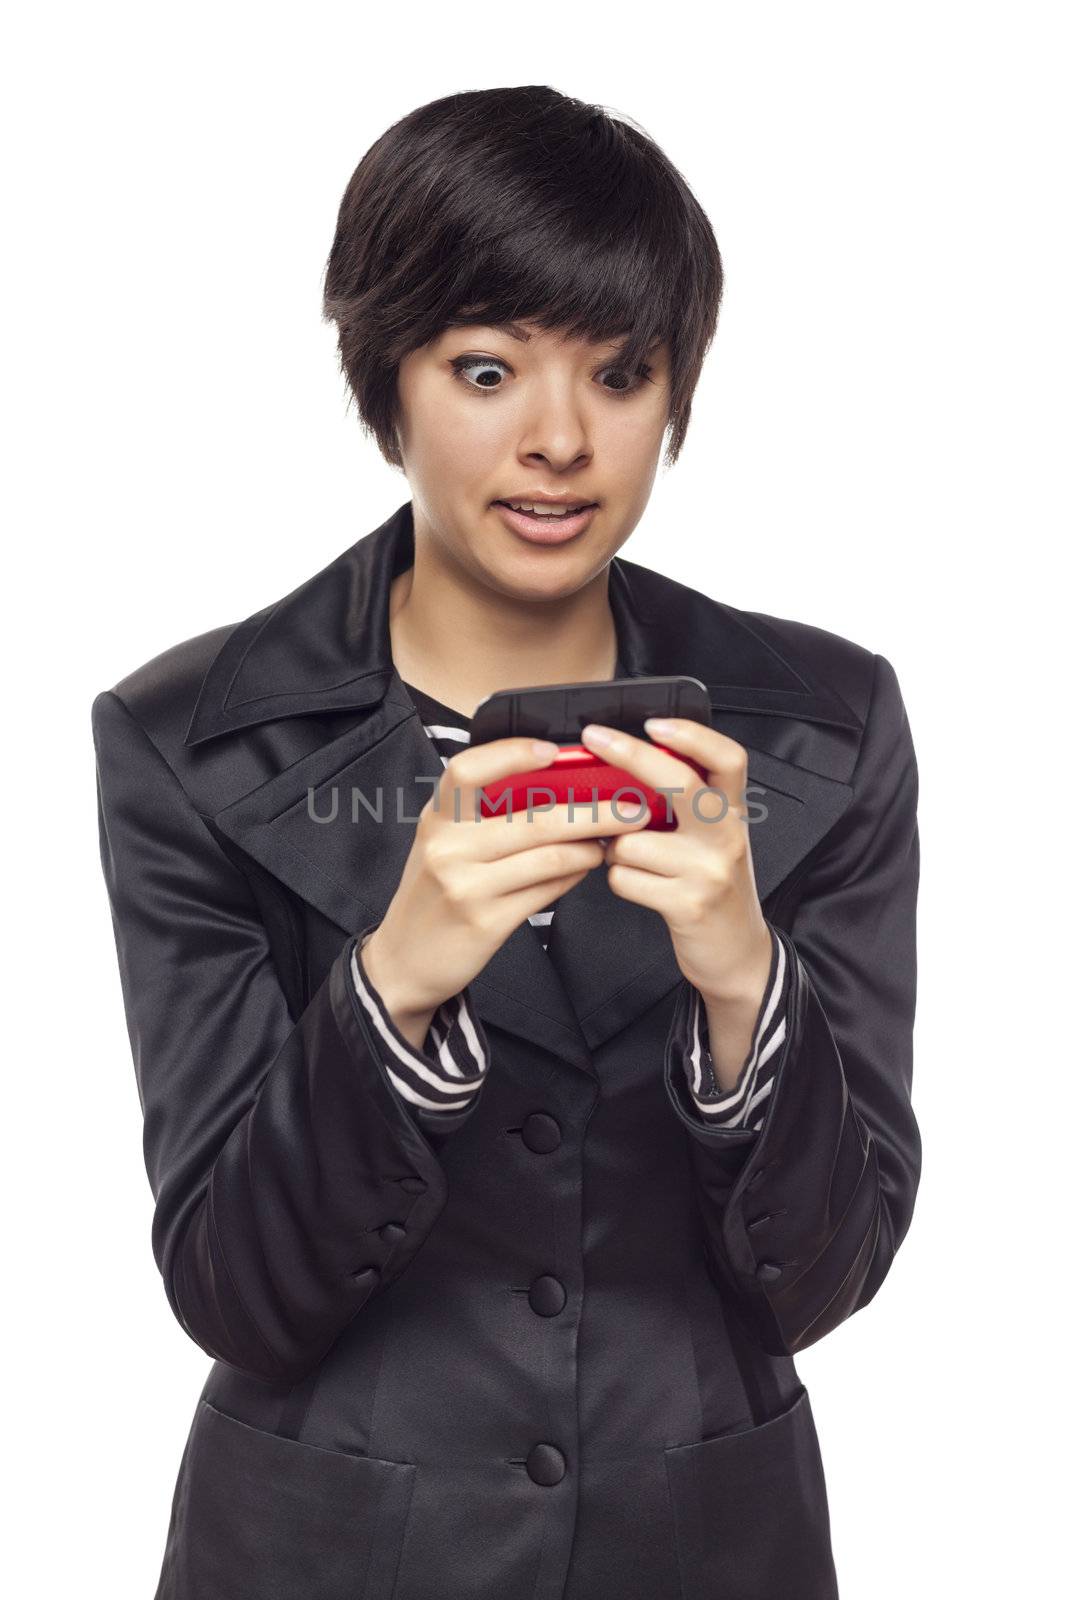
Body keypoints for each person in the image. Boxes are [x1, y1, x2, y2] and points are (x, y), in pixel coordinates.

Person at [91, 85, 921, 1600]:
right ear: (386, 379)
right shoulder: (189, 740)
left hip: (707, 1550)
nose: (557, 440)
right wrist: (393, 982)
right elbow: (232, 1290)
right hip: (324, 1556)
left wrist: (744, 979)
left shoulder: (823, 727)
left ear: (674, 395)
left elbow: (828, 1274)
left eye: (619, 371)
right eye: (486, 368)